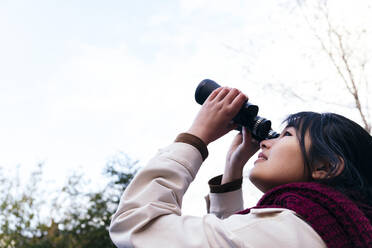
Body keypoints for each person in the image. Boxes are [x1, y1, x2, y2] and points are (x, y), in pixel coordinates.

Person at [109, 87, 372, 248]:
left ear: (325, 167)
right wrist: (232, 172)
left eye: (287, 135)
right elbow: (236, 237)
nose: (267, 142)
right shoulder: (329, 228)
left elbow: (136, 226)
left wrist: (196, 137)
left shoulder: (285, 230)